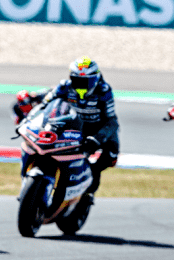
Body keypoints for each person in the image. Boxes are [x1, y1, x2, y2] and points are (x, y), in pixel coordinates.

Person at [12, 57, 119, 196]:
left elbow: (111, 121)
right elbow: (44, 105)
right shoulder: (65, 86)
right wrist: (26, 121)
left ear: (95, 78)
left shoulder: (103, 91)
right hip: (72, 124)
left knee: (111, 156)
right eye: (77, 80)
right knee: (44, 144)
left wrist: (97, 138)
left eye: (85, 81)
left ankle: (88, 192)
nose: (81, 85)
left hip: (96, 128)